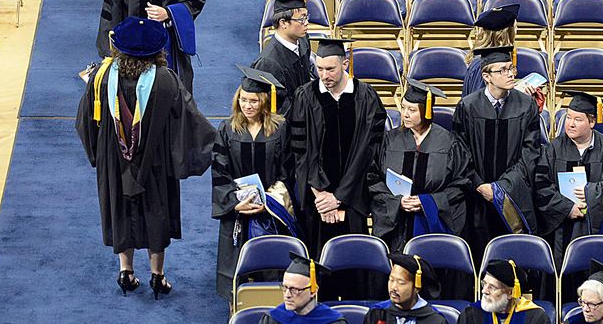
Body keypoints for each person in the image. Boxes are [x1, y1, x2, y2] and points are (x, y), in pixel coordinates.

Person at [75, 17, 214, 299]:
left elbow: (85, 120)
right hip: (155, 160)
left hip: (114, 159)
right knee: (155, 212)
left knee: (121, 210)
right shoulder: (165, 80)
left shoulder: (102, 77)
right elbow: (188, 120)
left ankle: (125, 271)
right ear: (157, 50)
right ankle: (157, 276)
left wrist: (98, 156)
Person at [290, 38, 386, 296]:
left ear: (346, 63)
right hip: (317, 201)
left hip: (355, 198)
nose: (324, 75)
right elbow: (300, 151)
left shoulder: (366, 97)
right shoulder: (305, 96)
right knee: (320, 264)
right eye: (319, 69)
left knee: (355, 266)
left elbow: (369, 153)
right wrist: (321, 194)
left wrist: (340, 197)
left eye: (330, 69)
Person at [212, 66, 296, 300]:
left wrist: (269, 200)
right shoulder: (227, 130)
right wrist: (234, 202)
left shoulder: (279, 129)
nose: (247, 106)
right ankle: (239, 303)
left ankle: (272, 299)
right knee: (238, 262)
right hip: (238, 208)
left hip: (269, 208)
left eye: (253, 101)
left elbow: (288, 171)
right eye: (243, 100)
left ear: (264, 102)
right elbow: (220, 171)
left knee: (271, 261)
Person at [451, 46, 544, 257]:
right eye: (502, 70)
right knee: (479, 254)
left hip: (513, 194)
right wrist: (479, 185)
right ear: (486, 77)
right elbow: (459, 151)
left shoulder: (526, 105)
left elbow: (530, 152)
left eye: (511, 68)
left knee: (511, 258)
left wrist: (502, 187)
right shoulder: (468, 106)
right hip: (476, 196)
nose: (510, 74)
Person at [368, 80, 473, 257]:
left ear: (426, 111)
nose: (405, 115)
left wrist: (427, 202)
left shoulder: (448, 142)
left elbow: (462, 184)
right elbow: (372, 177)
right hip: (397, 222)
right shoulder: (389, 140)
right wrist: (396, 202)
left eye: (412, 110)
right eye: (403, 108)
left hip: (432, 221)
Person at [533, 91, 603, 264]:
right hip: (562, 226)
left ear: (592, 122)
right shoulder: (552, 150)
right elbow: (541, 186)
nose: (570, 124)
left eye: (578, 119)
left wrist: (591, 193)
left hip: (598, 227)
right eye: (568, 117)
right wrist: (567, 208)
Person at [251, 0, 316, 117]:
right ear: (283, 23)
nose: (307, 22)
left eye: (306, 17)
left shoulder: (303, 40)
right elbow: (275, 108)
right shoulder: (268, 62)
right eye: (301, 19)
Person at [464, 4, 519, 98]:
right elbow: (479, 105)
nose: (517, 30)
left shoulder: (491, 59)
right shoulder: (483, 64)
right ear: (508, 32)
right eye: (515, 27)